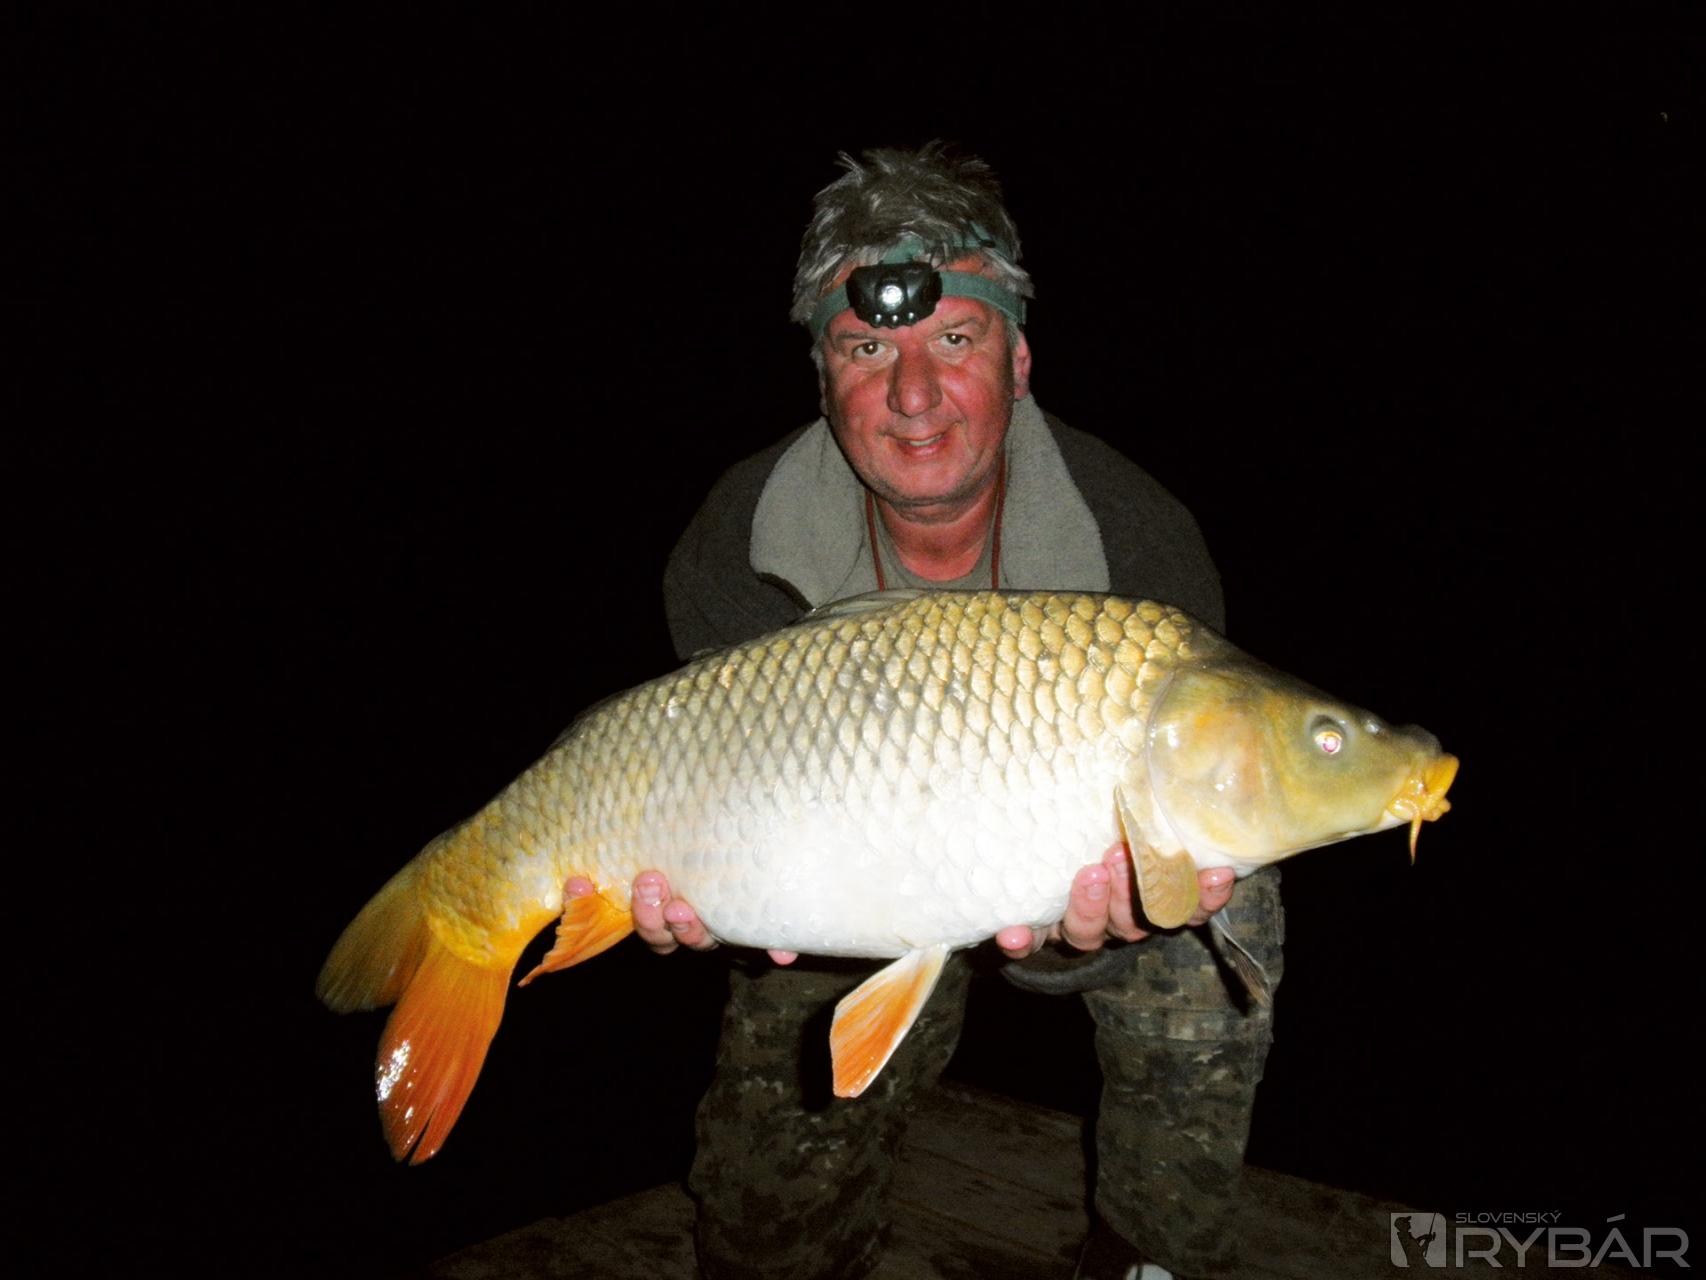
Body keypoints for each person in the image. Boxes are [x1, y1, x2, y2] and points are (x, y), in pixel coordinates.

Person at [631, 144, 1284, 1280]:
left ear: (1018, 360)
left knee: (1237, 895)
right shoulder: (741, 543)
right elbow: (717, 814)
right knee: (763, 1235)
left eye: (955, 340)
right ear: (822, 376)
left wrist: (1076, 943)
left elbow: (1106, 874)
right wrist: (689, 890)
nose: (914, 394)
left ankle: (1152, 1246)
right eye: (866, 348)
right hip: (839, 893)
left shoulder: (1136, 542)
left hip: (1059, 874)